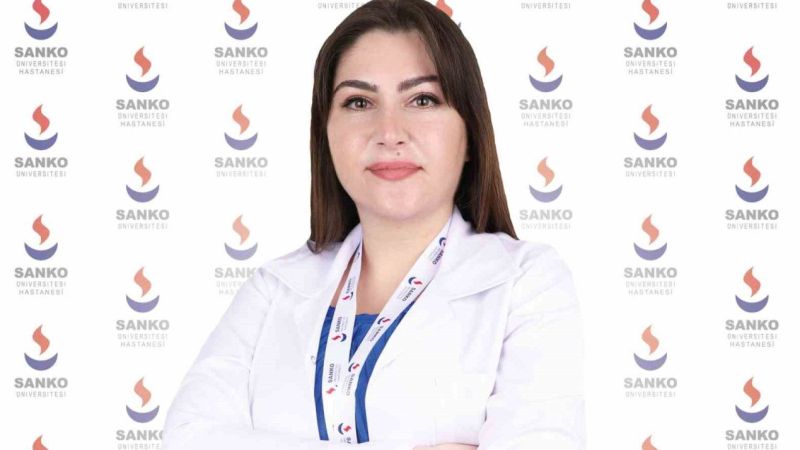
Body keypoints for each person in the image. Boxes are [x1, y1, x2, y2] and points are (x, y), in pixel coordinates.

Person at [163, 0, 585, 448]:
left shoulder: (527, 283)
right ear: (326, 135)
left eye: (423, 99)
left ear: (470, 134)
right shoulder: (273, 289)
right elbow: (188, 437)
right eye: (359, 102)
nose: (389, 132)